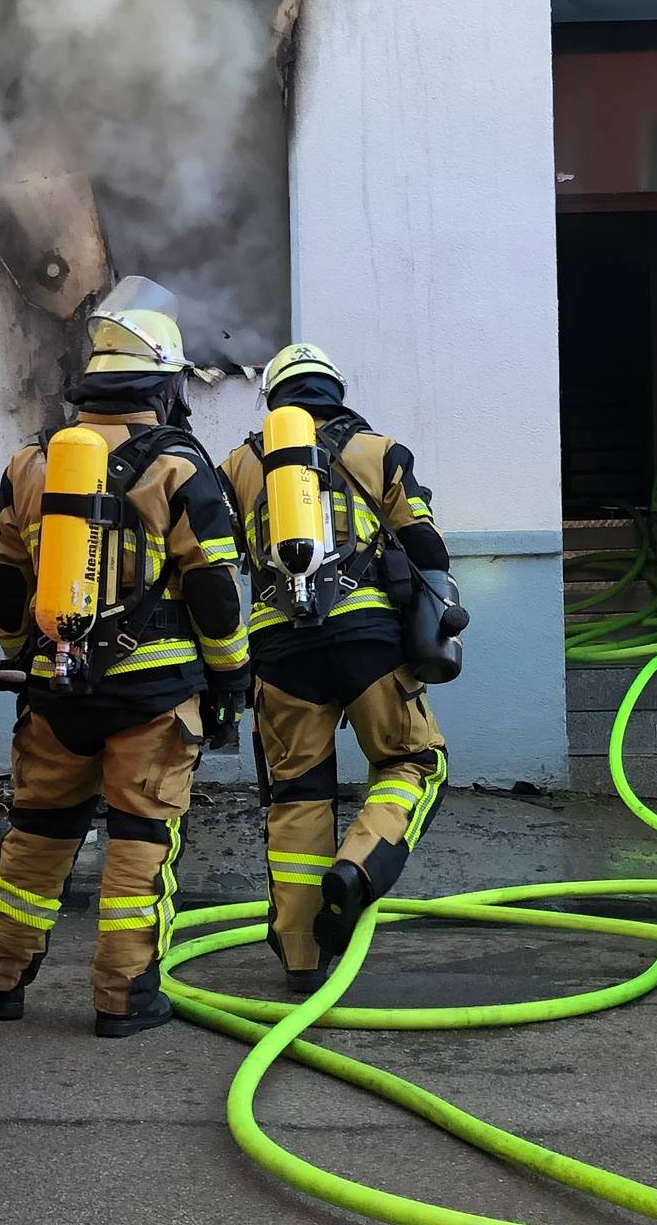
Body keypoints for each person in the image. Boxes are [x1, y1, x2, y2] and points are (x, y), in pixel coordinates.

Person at [0, 307, 250, 1038]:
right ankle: (124, 1000)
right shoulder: (179, 465)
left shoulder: (31, 463)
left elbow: (0, 578)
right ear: (163, 389)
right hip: (152, 696)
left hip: (55, 693)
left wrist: (28, 649)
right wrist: (230, 677)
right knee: (140, 842)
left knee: (37, 833)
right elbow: (214, 588)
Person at [218, 344, 465, 991]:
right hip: (368, 639)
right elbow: (424, 542)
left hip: (277, 649)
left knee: (296, 795)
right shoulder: (378, 450)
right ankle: (359, 866)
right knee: (414, 761)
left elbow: (220, 561)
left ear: (273, 398)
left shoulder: (239, 465)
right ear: (336, 389)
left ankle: (302, 960)